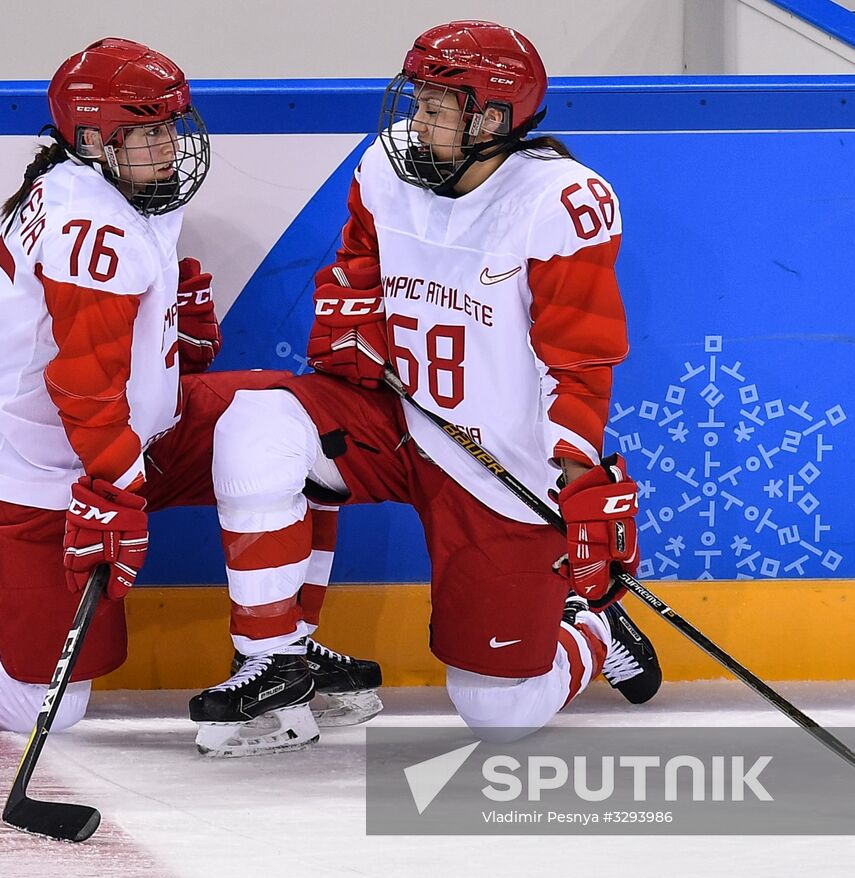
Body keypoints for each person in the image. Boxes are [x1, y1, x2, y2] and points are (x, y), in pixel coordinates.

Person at [0, 38, 380, 753]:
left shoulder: (117, 185)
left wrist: (173, 337)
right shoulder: (91, 226)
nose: (171, 147)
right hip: (37, 470)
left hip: (122, 436)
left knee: (300, 423)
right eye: (151, 132)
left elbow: (104, 366)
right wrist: (113, 487)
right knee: (40, 700)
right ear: (97, 139)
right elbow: (81, 386)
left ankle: (280, 651)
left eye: (171, 127)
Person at [193, 20, 661, 743]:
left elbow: (579, 355)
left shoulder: (560, 200)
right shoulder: (386, 168)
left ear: (495, 120)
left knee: (498, 710)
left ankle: (588, 627)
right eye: (418, 99)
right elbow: (355, 271)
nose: (418, 119)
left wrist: (574, 469)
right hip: (398, 420)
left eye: (439, 106)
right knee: (258, 426)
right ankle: (273, 661)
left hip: (500, 465)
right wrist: (354, 329)